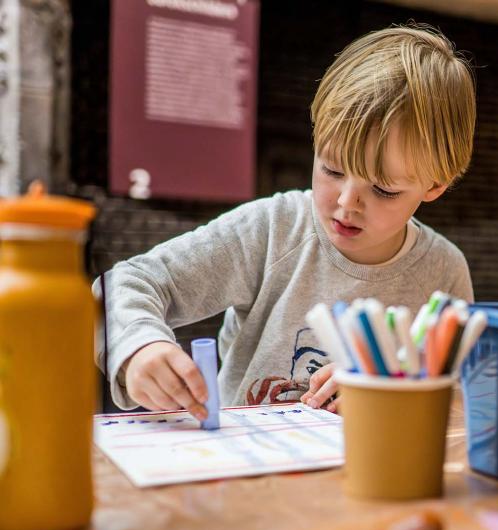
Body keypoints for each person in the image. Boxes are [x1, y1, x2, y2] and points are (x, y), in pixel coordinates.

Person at [95, 24, 476, 417]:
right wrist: (140, 347)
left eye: (383, 190)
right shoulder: (273, 230)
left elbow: (463, 399)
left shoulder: (444, 274)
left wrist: (388, 390)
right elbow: (121, 285)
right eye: (331, 169)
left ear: (435, 185)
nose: (347, 203)